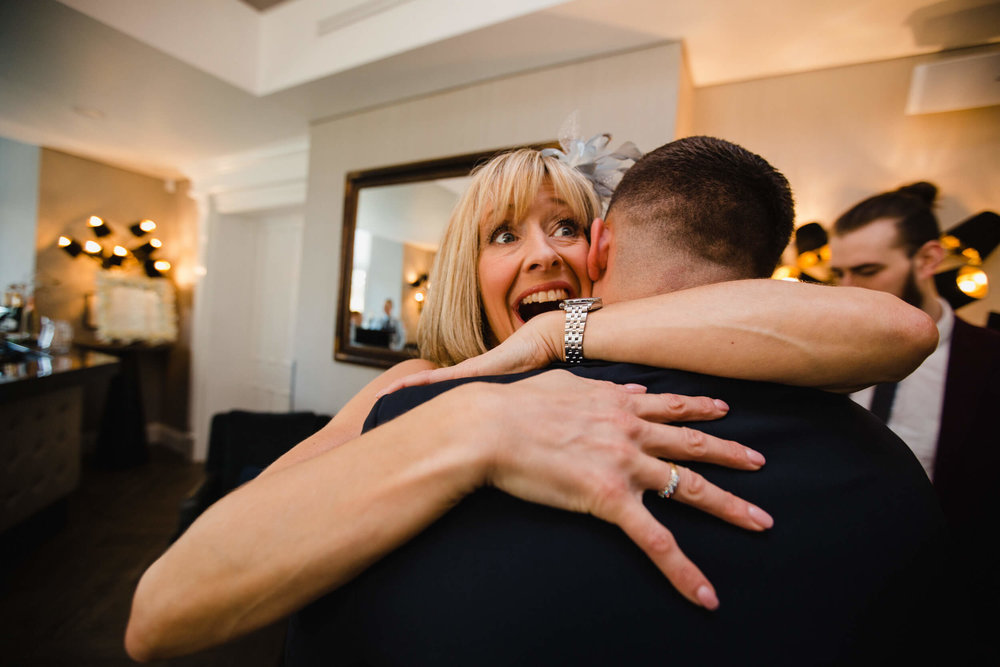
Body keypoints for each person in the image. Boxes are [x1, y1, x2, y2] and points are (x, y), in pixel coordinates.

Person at [125, 144, 935, 661]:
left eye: (565, 227)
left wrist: (559, 338)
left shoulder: (611, 344)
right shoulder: (407, 391)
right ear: (463, 269)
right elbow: (161, 613)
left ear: (606, 251)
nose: (544, 253)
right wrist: (476, 417)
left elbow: (895, 328)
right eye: (504, 235)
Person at [828, 181, 1000, 637]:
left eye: (866, 270)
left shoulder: (990, 361)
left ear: (927, 260)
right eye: (838, 274)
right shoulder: (821, 357)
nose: (847, 290)